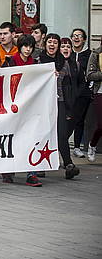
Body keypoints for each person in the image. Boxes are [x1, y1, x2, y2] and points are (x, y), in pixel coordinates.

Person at [0, 34, 42, 186]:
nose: (28, 49)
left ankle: (32, 173)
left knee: (31, 138)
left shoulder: (36, 64)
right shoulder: (10, 62)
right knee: (13, 138)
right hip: (13, 107)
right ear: (20, 47)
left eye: (30, 47)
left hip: (30, 108)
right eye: (25, 46)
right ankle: (8, 170)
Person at [38, 33, 79, 180]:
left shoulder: (64, 63)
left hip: (60, 102)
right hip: (42, 103)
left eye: (55, 42)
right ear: (45, 44)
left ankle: (68, 164)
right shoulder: (39, 61)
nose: (52, 45)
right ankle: (40, 166)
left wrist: (69, 108)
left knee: (62, 134)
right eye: (49, 42)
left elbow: (69, 86)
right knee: (43, 133)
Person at [70, 28, 92, 158]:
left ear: (84, 39)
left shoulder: (89, 54)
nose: (76, 38)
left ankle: (77, 146)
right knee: (67, 119)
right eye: (74, 36)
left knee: (79, 120)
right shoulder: (67, 53)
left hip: (83, 92)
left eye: (79, 36)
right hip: (69, 91)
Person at [85, 39, 101, 163]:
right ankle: (92, 144)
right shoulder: (96, 54)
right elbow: (90, 75)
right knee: (101, 125)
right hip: (100, 92)